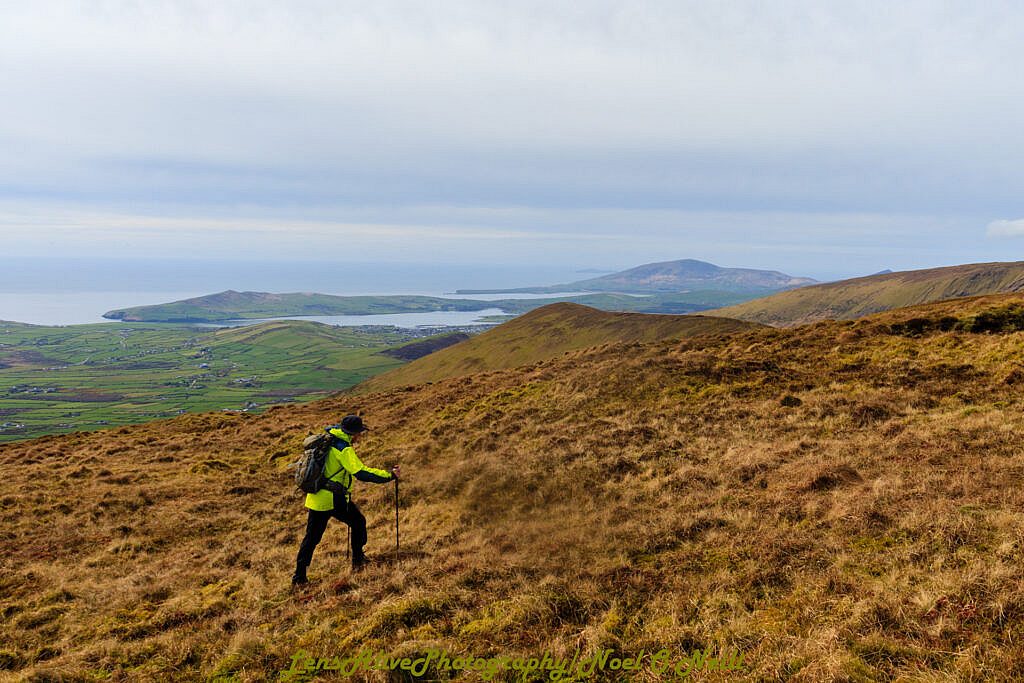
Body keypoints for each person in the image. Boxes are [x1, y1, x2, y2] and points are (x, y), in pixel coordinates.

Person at [292, 415, 399, 585]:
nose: (361, 436)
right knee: (358, 522)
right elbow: (361, 472)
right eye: (360, 432)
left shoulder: (330, 438)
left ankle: (299, 576)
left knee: (311, 538)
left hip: (316, 497)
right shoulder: (343, 448)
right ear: (354, 433)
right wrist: (389, 475)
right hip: (334, 499)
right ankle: (358, 560)